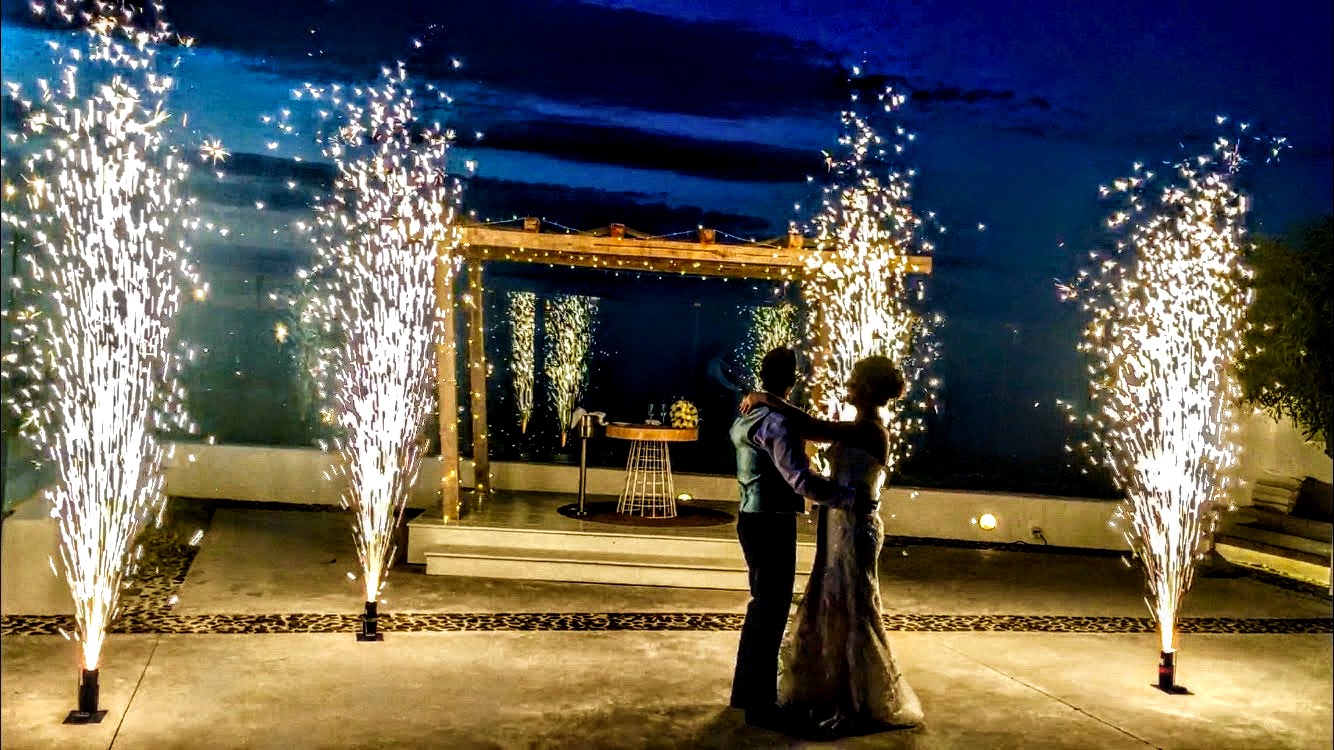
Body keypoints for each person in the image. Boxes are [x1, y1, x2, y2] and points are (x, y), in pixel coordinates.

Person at [743, 355, 925, 736]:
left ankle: (854, 701)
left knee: (852, 606)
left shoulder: (870, 429)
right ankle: (831, 691)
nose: (850, 384)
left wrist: (766, 398)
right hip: (839, 522)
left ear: (873, 390)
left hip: (855, 525)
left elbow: (809, 426)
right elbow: (811, 430)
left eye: (857, 380)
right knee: (832, 602)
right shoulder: (858, 426)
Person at [728, 346, 859, 733]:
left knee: (761, 609)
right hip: (772, 523)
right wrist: (848, 498)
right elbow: (799, 480)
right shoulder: (777, 424)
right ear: (793, 378)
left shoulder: (746, 415)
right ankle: (761, 705)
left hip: (749, 517)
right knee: (770, 610)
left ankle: (747, 694)